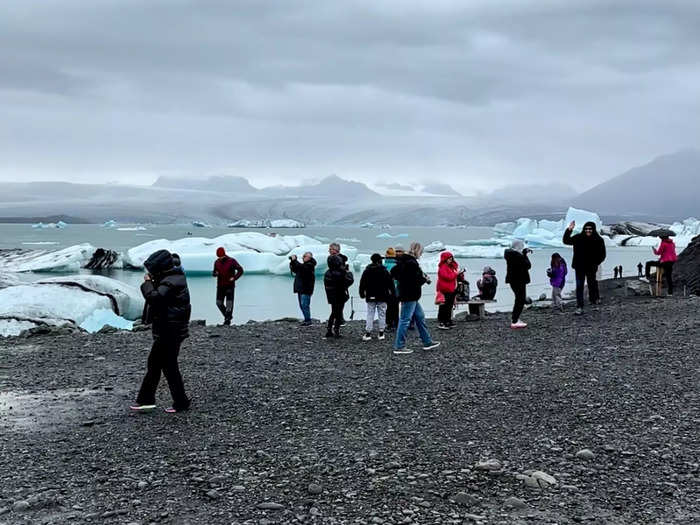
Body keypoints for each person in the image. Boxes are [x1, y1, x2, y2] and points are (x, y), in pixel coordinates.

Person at [131, 249, 191, 413]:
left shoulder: (171, 281)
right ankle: (148, 400)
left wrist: (147, 283)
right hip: (170, 329)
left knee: (165, 365)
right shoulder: (172, 278)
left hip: (170, 330)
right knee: (159, 364)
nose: (149, 272)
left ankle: (178, 403)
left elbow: (155, 298)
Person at [391, 242, 440, 354]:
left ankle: (427, 341)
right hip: (410, 295)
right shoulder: (411, 263)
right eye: (421, 252)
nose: (421, 254)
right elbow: (414, 280)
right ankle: (399, 346)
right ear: (418, 251)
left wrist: (402, 280)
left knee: (420, 317)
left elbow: (394, 272)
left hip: (408, 294)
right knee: (404, 320)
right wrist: (424, 279)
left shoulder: (403, 261)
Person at [562, 221, 606, 315]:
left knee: (592, 286)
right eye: (586, 229)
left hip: (591, 267)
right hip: (579, 267)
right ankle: (579, 307)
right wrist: (569, 230)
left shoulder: (598, 240)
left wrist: (596, 263)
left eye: (590, 229)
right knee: (579, 287)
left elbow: (603, 254)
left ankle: (594, 303)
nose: (588, 230)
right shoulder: (578, 238)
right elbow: (566, 241)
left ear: (593, 229)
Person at [359, 253, 395, 341]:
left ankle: (368, 333)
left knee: (370, 313)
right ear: (379, 260)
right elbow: (390, 283)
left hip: (370, 295)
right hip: (383, 295)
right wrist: (392, 293)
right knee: (382, 313)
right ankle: (381, 333)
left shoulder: (367, 270)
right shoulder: (384, 270)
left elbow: (362, 283)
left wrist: (362, 293)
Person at [324, 254, 354, 338]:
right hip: (339, 295)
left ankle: (329, 330)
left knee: (334, 312)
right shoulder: (340, 273)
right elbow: (349, 281)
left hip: (331, 295)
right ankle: (336, 330)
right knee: (337, 313)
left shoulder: (328, 272)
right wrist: (348, 272)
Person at [212, 247, 244, 325]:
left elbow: (240, 270)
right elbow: (214, 272)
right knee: (218, 303)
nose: (219, 258)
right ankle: (228, 316)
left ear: (224, 254)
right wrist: (215, 274)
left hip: (230, 286)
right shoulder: (216, 262)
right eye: (218, 256)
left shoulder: (232, 261)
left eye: (221, 256)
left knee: (229, 304)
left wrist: (234, 278)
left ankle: (227, 320)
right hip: (220, 286)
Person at [504, 240, 532, 329]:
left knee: (519, 299)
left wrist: (523, 254)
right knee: (520, 299)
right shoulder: (517, 256)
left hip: (514, 280)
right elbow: (528, 265)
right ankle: (515, 321)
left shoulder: (510, 254)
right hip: (519, 280)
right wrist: (525, 255)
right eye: (522, 246)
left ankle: (515, 319)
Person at [436, 251, 462, 329]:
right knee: (444, 306)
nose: (450, 260)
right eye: (449, 258)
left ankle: (448, 321)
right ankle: (442, 322)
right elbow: (447, 277)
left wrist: (458, 273)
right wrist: (456, 274)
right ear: (445, 259)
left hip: (451, 289)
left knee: (449, 306)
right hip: (445, 289)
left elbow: (452, 276)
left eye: (451, 258)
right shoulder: (443, 267)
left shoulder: (450, 267)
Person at [290, 251, 317, 326]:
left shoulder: (310, 265)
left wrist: (295, 260)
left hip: (306, 289)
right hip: (301, 288)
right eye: (303, 256)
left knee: (304, 305)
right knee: (302, 305)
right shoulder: (304, 265)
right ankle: (306, 319)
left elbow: (301, 268)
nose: (303, 257)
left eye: (305, 256)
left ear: (309, 257)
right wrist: (292, 262)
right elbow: (295, 269)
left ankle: (308, 320)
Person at [327, 243, 349, 325]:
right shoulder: (335, 259)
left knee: (337, 306)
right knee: (337, 305)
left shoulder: (337, 259)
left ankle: (337, 322)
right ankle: (338, 321)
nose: (329, 251)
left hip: (338, 285)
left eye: (330, 249)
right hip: (336, 285)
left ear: (335, 250)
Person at [384, 247, 399, 330]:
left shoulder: (383, 266)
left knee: (388, 307)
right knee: (395, 306)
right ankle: (396, 322)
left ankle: (388, 323)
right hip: (395, 289)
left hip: (385, 290)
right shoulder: (396, 266)